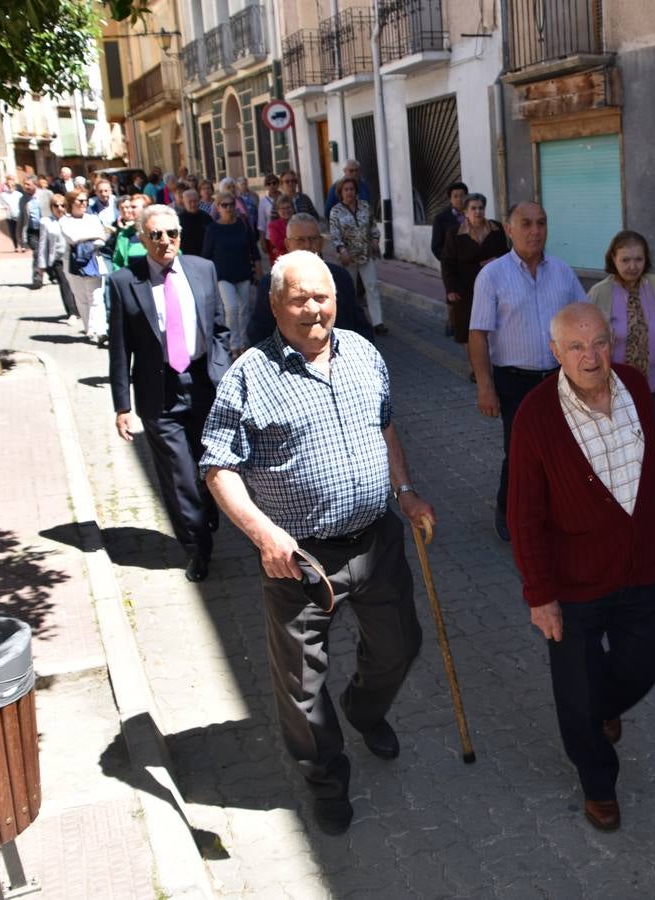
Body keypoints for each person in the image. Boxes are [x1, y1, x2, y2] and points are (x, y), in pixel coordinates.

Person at [201, 249, 432, 837]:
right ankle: (326, 777)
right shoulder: (249, 374)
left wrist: (404, 490)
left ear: (337, 298)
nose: (313, 308)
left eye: (322, 295)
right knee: (301, 690)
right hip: (297, 559)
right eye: (299, 298)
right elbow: (218, 467)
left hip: (376, 542)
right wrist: (263, 535)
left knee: (402, 646)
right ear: (274, 304)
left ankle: (364, 708)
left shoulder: (362, 353)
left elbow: (385, 425)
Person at [507, 302, 655, 832]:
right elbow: (524, 512)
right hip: (571, 582)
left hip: (636, 566)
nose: (590, 356)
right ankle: (598, 784)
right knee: (575, 689)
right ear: (555, 353)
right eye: (575, 346)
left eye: (599, 342)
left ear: (613, 342)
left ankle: (601, 707)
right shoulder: (535, 414)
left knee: (649, 656)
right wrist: (539, 593)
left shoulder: (635, 386)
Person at [109, 204, 232, 583]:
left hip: (202, 385)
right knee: (178, 475)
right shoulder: (123, 282)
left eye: (172, 233)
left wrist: (222, 371)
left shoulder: (202, 270)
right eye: (156, 234)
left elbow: (219, 329)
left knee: (207, 463)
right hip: (158, 394)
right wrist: (122, 406)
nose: (165, 241)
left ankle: (207, 508)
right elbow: (119, 347)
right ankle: (198, 549)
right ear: (141, 238)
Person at [469, 201, 587, 541]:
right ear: (508, 229)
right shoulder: (492, 276)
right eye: (526, 223)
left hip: (558, 378)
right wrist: (484, 386)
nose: (535, 231)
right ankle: (508, 510)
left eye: (541, 223)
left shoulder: (562, 272)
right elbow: (478, 333)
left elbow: (582, 318)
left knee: (563, 448)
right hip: (513, 380)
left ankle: (555, 511)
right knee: (520, 452)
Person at [588, 231, 655, 543]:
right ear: (613, 259)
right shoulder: (599, 294)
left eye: (638, 259)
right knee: (620, 454)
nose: (633, 266)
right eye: (625, 260)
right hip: (615, 390)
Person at [246, 214, 373, 347]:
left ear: (321, 242)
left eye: (313, 239)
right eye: (300, 240)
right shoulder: (271, 284)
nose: (307, 245)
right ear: (287, 244)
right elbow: (259, 334)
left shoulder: (341, 277)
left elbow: (360, 326)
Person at [441, 193, 505, 367]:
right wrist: (450, 289)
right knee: (468, 330)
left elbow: (506, 255)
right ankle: (476, 368)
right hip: (465, 288)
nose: (478, 212)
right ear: (466, 212)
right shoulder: (455, 233)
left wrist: (495, 260)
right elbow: (448, 262)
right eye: (473, 208)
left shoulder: (496, 229)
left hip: (494, 287)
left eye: (481, 208)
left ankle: (494, 363)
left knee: (493, 327)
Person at [202, 191, 259, 355]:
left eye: (231, 204)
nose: (228, 208)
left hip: (243, 272)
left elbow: (252, 248)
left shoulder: (242, 224)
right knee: (232, 308)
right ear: (218, 207)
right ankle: (233, 344)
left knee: (244, 309)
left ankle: (244, 343)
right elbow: (206, 254)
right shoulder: (213, 229)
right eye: (224, 205)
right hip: (223, 275)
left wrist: (257, 269)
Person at [328, 177, 385, 334]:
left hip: (366, 254)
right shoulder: (336, 211)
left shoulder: (365, 206)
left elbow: (373, 227)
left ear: (356, 191)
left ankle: (378, 322)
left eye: (352, 189)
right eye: (346, 189)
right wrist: (342, 251)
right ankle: (350, 322)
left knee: (372, 286)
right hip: (348, 257)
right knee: (349, 290)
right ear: (341, 192)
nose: (349, 192)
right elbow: (335, 234)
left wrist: (375, 240)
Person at [58, 189, 111, 343]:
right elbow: (72, 237)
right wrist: (92, 236)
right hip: (73, 264)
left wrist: (88, 237)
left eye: (85, 200)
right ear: (71, 203)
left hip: (93, 261)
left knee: (96, 297)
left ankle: (100, 331)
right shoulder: (64, 221)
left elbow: (101, 239)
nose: (84, 203)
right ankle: (89, 330)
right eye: (80, 201)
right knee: (81, 298)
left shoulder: (92, 219)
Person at [35, 193, 80, 321]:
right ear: (51, 207)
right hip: (57, 259)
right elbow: (43, 243)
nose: (60, 208)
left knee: (76, 285)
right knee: (65, 284)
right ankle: (72, 312)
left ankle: (79, 309)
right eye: (56, 206)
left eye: (62, 205)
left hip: (72, 257)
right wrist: (41, 265)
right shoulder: (46, 222)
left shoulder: (72, 219)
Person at [432, 181, 468, 337]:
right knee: (452, 296)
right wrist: (447, 261)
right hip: (451, 265)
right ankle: (451, 323)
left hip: (469, 264)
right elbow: (436, 245)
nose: (459, 199)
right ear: (450, 199)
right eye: (456, 196)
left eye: (462, 196)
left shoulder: (472, 214)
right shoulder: (441, 218)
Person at [18, 180, 44, 286]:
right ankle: (37, 278)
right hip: (31, 231)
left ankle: (52, 273)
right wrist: (20, 235)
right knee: (37, 252)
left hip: (45, 230)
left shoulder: (46, 194)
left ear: (35, 184)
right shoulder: (23, 199)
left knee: (49, 253)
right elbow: (21, 217)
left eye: (28, 184)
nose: (25, 186)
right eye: (24, 184)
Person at [177, 189, 213, 257]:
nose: (193, 204)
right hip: (186, 257)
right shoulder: (178, 220)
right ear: (184, 202)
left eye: (195, 201)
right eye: (190, 202)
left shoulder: (206, 217)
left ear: (199, 201)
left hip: (205, 257)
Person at [266, 195, 296, 268]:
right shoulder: (273, 226)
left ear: (293, 208)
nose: (286, 210)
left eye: (288, 207)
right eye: (282, 208)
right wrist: (297, 241)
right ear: (278, 211)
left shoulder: (299, 222)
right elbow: (278, 244)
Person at [0, 175, 23, 251]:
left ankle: (22, 246)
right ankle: (15, 246)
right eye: (8, 186)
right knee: (12, 232)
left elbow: (23, 204)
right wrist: (4, 207)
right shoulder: (3, 195)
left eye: (12, 186)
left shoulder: (19, 194)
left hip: (18, 215)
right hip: (9, 216)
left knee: (20, 231)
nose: (10, 187)